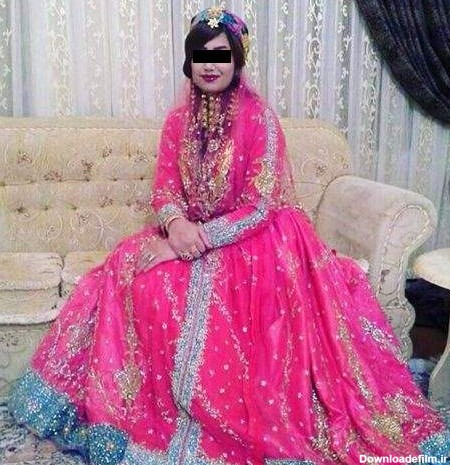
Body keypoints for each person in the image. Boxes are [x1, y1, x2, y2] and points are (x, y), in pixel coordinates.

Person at [7, 6, 450, 465]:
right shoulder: (178, 122)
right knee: (130, 271)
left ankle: (217, 415)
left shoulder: (259, 120)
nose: (210, 65)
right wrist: (176, 226)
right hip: (189, 233)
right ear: (190, 61)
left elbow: (260, 205)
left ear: (237, 60)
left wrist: (195, 239)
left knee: (211, 297)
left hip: (257, 241)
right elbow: (165, 188)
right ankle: (141, 407)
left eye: (221, 55)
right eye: (201, 55)